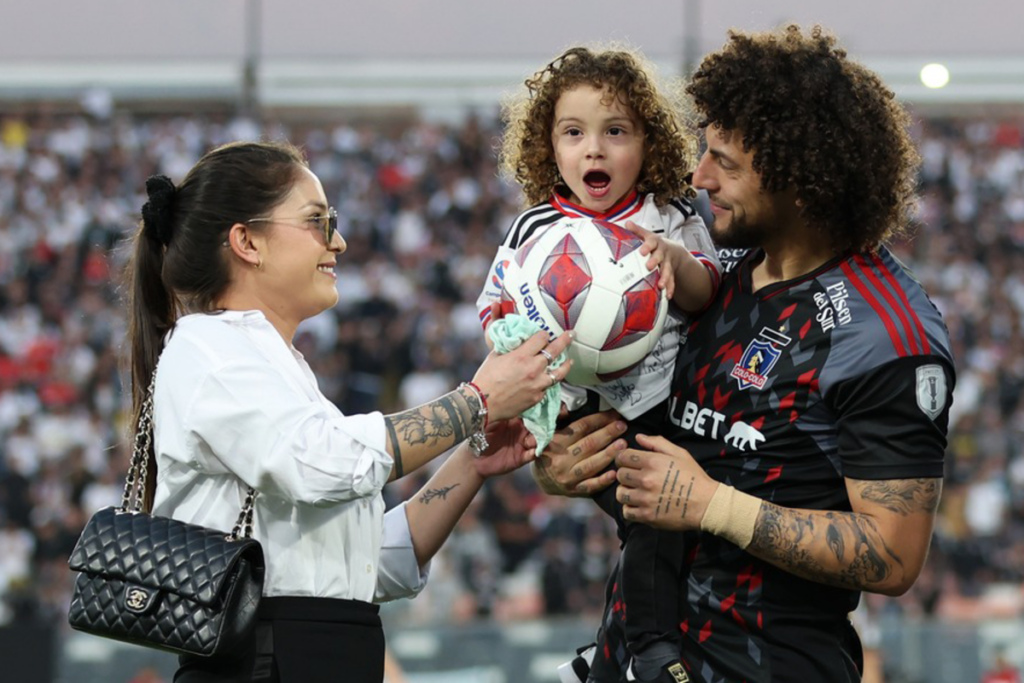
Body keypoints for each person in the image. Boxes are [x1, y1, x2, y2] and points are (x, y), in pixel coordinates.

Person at [534, 25, 956, 683]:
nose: (698, 176)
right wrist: (568, 463)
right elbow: (654, 449)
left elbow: (893, 556)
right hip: (630, 656)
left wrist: (712, 505)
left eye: (724, 162)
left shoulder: (884, 332)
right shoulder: (706, 275)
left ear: (800, 177)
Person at [126, 140, 573, 683]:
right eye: (317, 220)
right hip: (264, 662)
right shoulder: (208, 347)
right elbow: (325, 463)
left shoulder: (273, 364)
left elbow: (369, 568)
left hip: (318, 651)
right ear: (246, 241)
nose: (337, 240)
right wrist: (475, 403)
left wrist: (472, 460)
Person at [477, 46, 721, 683]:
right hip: (581, 415)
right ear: (548, 148)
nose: (595, 150)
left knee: (667, 530)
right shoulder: (532, 230)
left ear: (648, 144)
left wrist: (676, 264)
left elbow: (708, 292)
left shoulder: (670, 219)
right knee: (654, 523)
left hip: (663, 408)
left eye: (616, 132)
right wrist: (520, 332)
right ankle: (650, 649)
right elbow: (493, 311)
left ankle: (605, 660)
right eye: (574, 133)